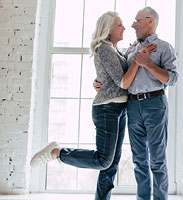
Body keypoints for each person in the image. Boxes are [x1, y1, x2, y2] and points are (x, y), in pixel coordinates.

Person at [30, 11, 156, 200]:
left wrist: (100, 79)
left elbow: (109, 76)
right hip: (107, 109)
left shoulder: (115, 50)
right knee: (103, 160)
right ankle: (57, 153)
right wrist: (139, 60)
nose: (124, 28)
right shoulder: (104, 48)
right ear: (108, 29)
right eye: (119, 25)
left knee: (112, 162)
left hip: (119, 109)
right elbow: (123, 82)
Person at [94, 6, 178, 200]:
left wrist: (147, 63)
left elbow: (172, 79)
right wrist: (99, 82)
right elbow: (115, 71)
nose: (132, 25)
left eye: (137, 20)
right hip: (132, 106)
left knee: (157, 160)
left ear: (151, 21)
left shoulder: (164, 47)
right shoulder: (130, 49)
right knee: (139, 160)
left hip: (155, 104)